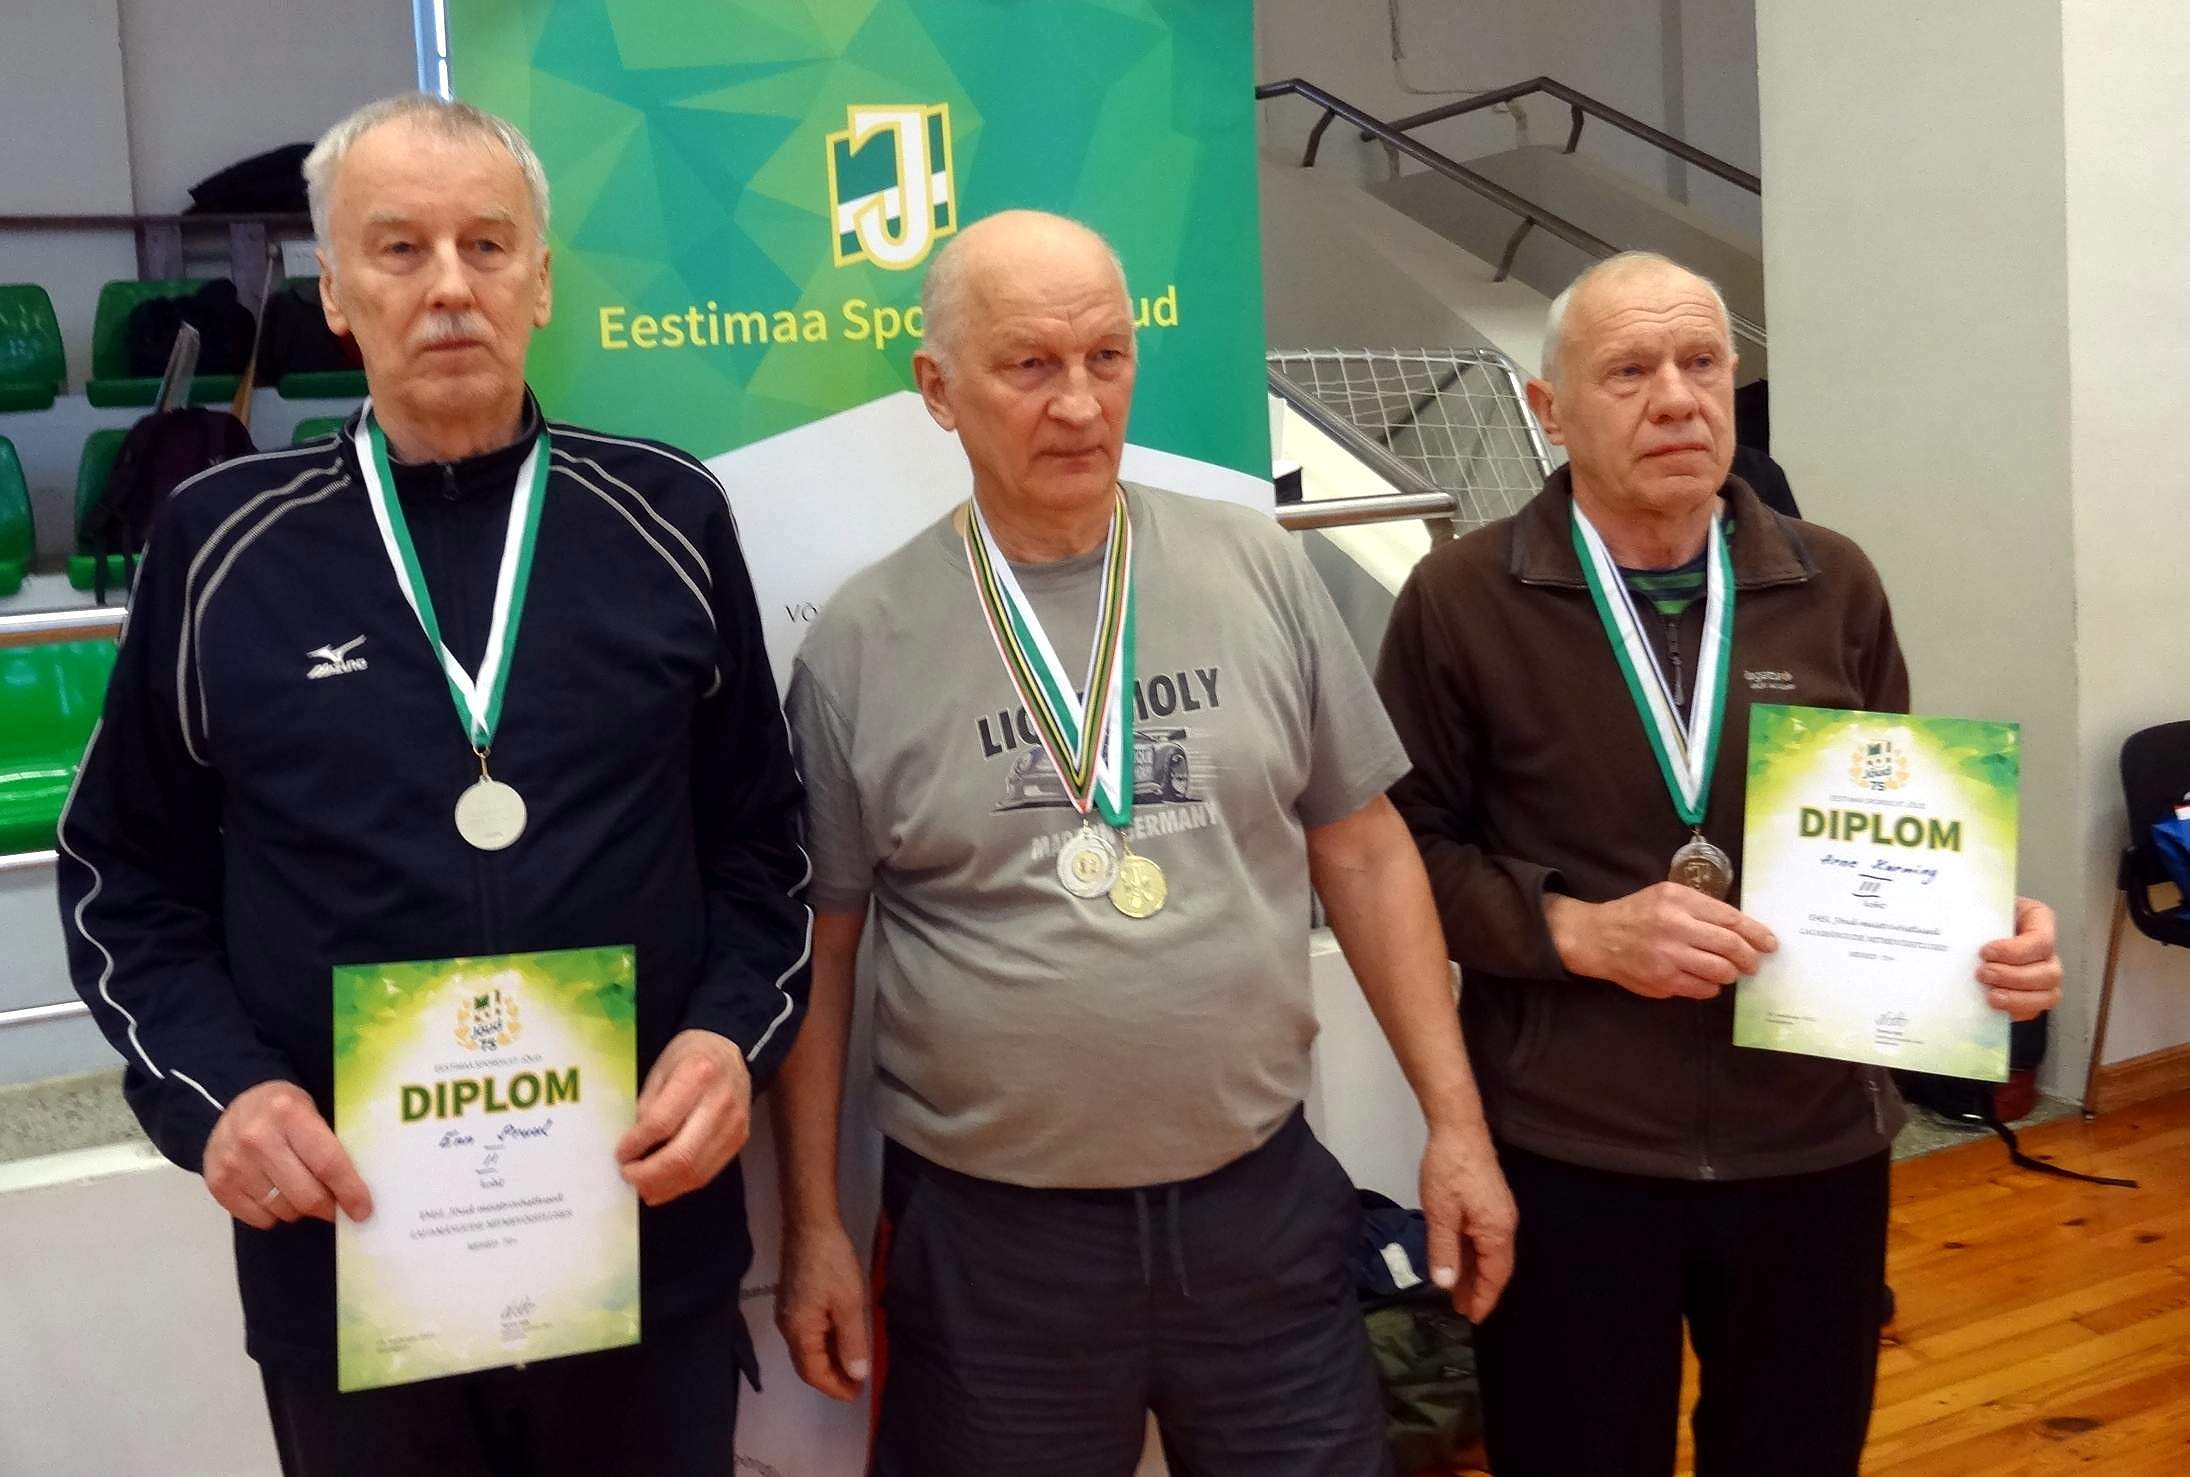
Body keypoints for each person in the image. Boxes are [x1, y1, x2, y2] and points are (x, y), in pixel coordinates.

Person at [55, 93, 811, 1477]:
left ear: (542, 281)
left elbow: (765, 848)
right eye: (398, 249)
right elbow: (124, 877)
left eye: (487, 244)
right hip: (349, 1263)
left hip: (643, 1250)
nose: (449, 285)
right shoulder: (221, 544)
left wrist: (727, 1040)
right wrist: (220, 1094)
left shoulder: (667, 517)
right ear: (335, 295)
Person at [771, 209, 1516, 1476]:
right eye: (1030, 365)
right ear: (938, 390)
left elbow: (1366, 849)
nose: (1079, 404)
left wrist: (1456, 1125)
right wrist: (815, 1226)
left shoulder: (1256, 568)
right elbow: (821, 954)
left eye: (1106, 357)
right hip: (996, 1252)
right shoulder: (861, 642)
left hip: (1260, 1211)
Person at [1374, 250, 2063, 1477]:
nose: (1677, 400)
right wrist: (1576, 929)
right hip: (1573, 1144)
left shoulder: (1832, 579)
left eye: (1702, 364)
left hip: (1812, 1143)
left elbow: (1889, 824)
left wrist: (1981, 933)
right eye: (1629, 371)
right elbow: (1399, 855)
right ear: (1549, 408)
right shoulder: (1460, 599)